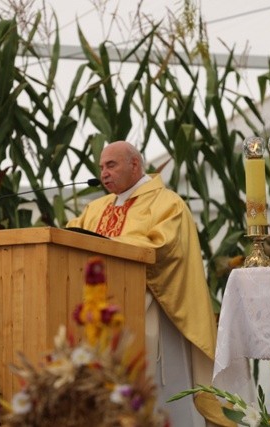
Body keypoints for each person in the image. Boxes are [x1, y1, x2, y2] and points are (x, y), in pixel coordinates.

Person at [67, 141, 233, 427]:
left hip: (151, 312)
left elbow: (164, 247)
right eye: (101, 167)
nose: (104, 173)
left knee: (157, 399)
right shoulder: (95, 208)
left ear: (135, 164)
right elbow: (68, 239)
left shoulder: (167, 204)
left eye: (111, 165)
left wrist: (109, 246)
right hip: (101, 322)